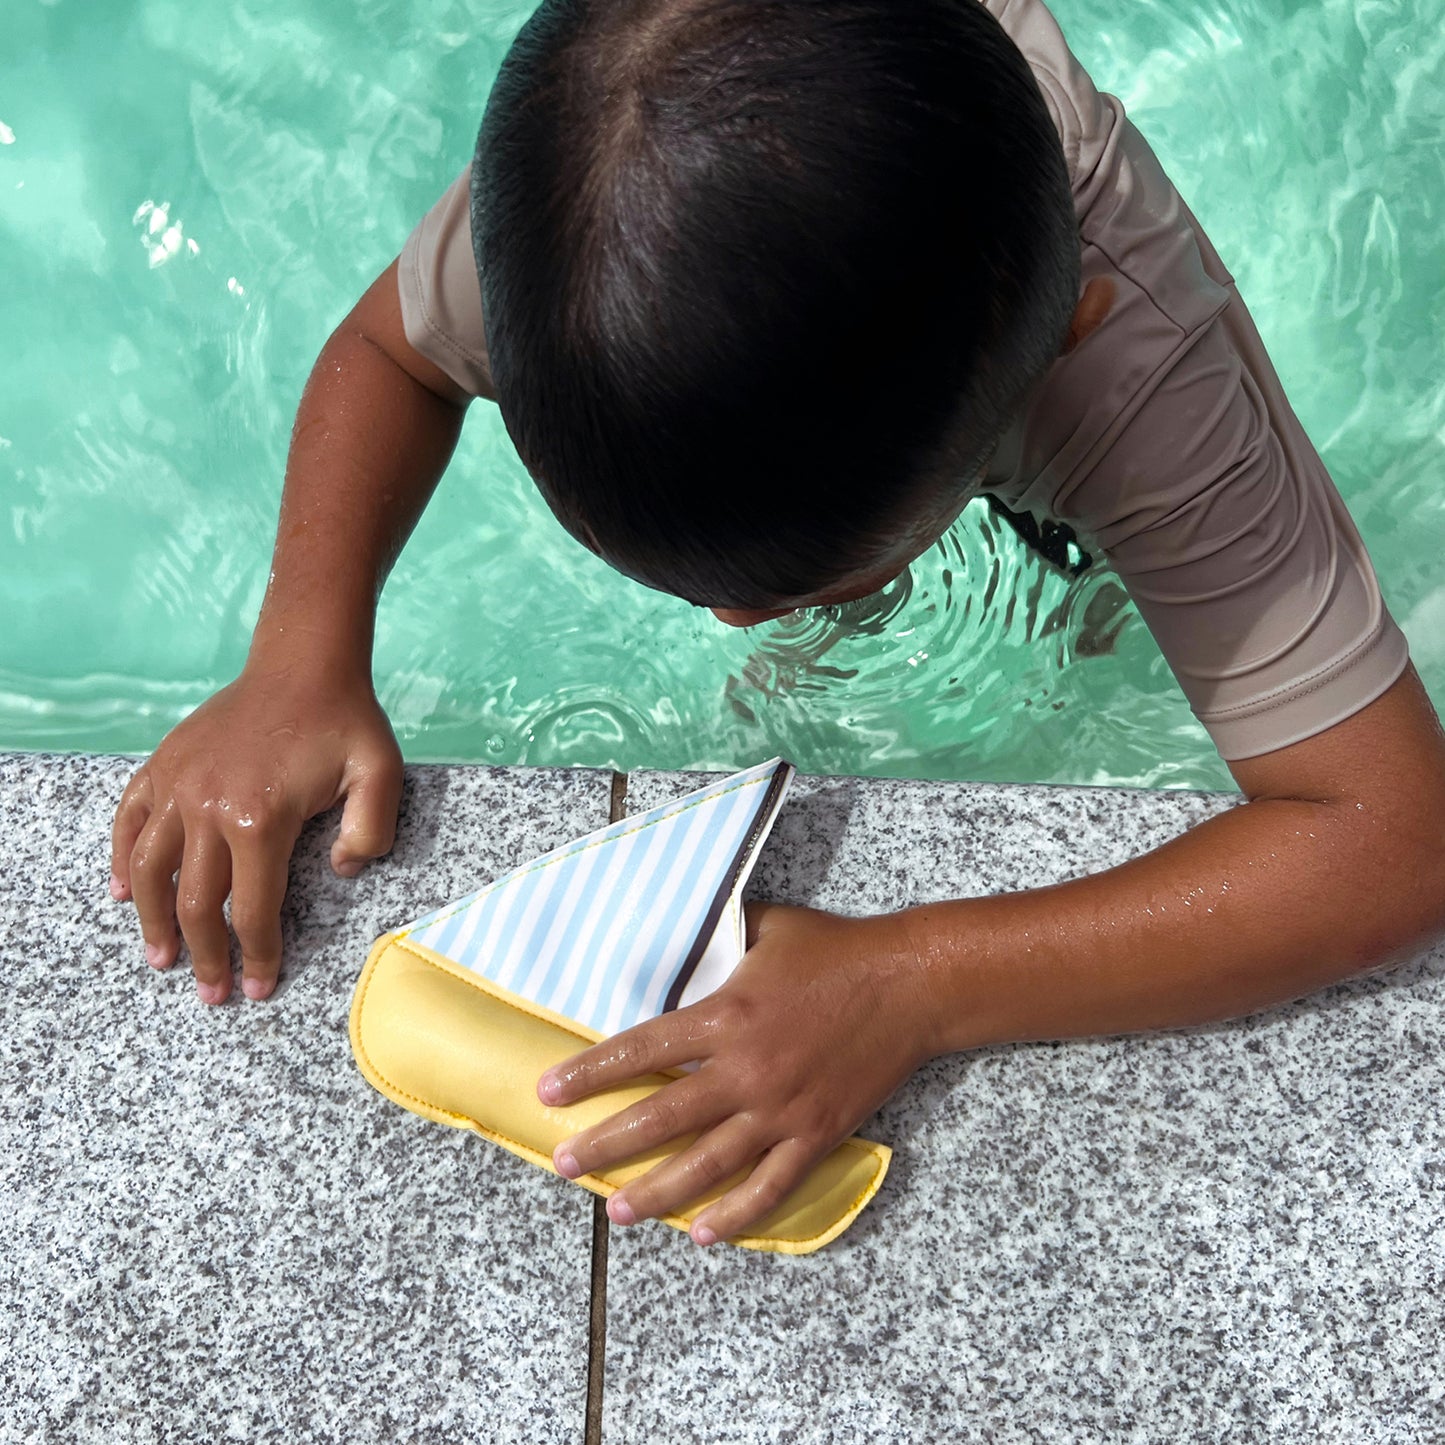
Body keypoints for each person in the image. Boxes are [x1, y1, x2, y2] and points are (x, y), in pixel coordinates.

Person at [110, 0, 1445, 1247]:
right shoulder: (606, 207)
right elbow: (387, 354)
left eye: (786, 586)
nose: (734, 620)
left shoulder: (1133, 359)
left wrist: (915, 978)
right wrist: (298, 652)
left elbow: (1391, 838)